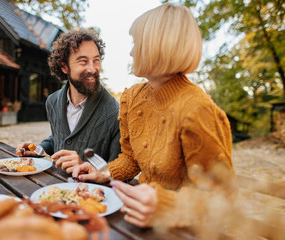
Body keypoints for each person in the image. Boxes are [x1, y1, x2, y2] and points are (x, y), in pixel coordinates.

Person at [73, 3, 237, 228]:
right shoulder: (132, 97)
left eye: (136, 43)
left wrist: (167, 206)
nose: (131, 51)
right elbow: (131, 159)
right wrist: (103, 172)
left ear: (158, 46)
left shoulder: (198, 110)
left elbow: (222, 200)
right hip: (139, 217)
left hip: (184, 229)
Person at [16, 29, 121, 174]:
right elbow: (59, 138)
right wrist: (39, 149)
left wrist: (85, 167)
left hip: (92, 194)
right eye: (83, 61)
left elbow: (121, 173)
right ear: (64, 67)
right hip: (54, 190)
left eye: (96, 60)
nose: (92, 68)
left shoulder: (116, 112)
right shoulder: (52, 101)